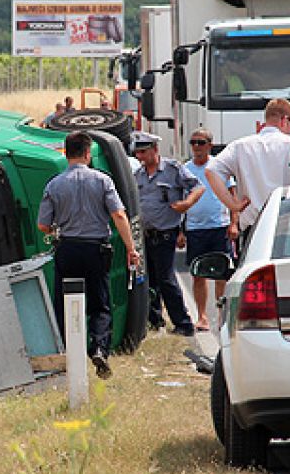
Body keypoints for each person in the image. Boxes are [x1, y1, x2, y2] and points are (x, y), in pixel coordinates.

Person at [37, 131, 142, 378]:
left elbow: (42, 225)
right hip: (95, 249)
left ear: (66, 153)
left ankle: (66, 354)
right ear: (87, 153)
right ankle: (99, 349)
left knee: (64, 301)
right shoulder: (103, 181)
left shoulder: (54, 184)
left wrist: (57, 228)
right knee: (100, 304)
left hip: (68, 249)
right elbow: (118, 215)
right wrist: (131, 248)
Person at [132, 131, 202, 337]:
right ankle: (155, 321)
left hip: (165, 234)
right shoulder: (138, 175)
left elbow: (198, 187)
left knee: (166, 279)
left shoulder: (173, 170)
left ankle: (183, 323)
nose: (140, 157)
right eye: (138, 153)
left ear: (155, 149)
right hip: (146, 234)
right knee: (148, 279)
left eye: (144, 152)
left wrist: (187, 204)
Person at [206, 98, 290, 239]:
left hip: (253, 228)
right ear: (284, 120)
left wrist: (233, 205)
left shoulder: (240, 146)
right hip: (286, 224)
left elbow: (211, 171)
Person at [181, 128, 235, 331]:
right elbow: (181, 198)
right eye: (193, 142)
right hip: (195, 228)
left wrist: (233, 223)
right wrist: (180, 230)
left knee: (222, 274)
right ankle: (202, 316)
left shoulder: (218, 167)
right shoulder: (185, 169)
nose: (196, 147)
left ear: (209, 145)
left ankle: (221, 316)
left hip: (219, 226)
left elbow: (232, 195)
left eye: (201, 142)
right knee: (198, 274)